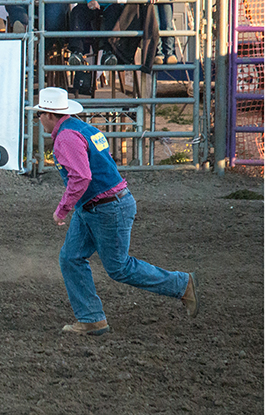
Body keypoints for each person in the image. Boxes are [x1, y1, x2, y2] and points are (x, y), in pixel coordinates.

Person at [29, 87, 199, 336]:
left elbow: (81, 176)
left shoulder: (65, 138)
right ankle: (90, 319)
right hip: (103, 204)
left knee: (119, 267)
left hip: (104, 207)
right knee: (71, 258)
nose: (39, 120)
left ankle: (181, 285)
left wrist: (62, 209)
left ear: (48, 114)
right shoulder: (85, 129)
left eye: (39, 115)